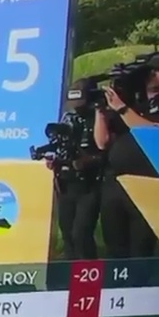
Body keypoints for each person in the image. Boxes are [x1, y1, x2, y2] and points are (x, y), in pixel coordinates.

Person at [94, 52, 159, 260]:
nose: (151, 75)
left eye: (157, 71)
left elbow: (156, 134)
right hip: (116, 182)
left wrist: (123, 110)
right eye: (149, 70)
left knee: (140, 246)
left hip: (148, 182)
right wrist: (101, 111)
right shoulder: (131, 100)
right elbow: (102, 142)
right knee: (115, 245)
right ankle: (117, 287)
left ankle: (141, 287)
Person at [47, 79, 103, 261]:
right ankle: (69, 274)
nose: (77, 108)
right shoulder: (67, 119)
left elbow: (108, 150)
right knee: (68, 233)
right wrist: (55, 159)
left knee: (81, 233)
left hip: (90, 184)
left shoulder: (101, 117)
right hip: (66, 182)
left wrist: (88, 160)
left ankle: (89, 274)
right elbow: (60, 144)